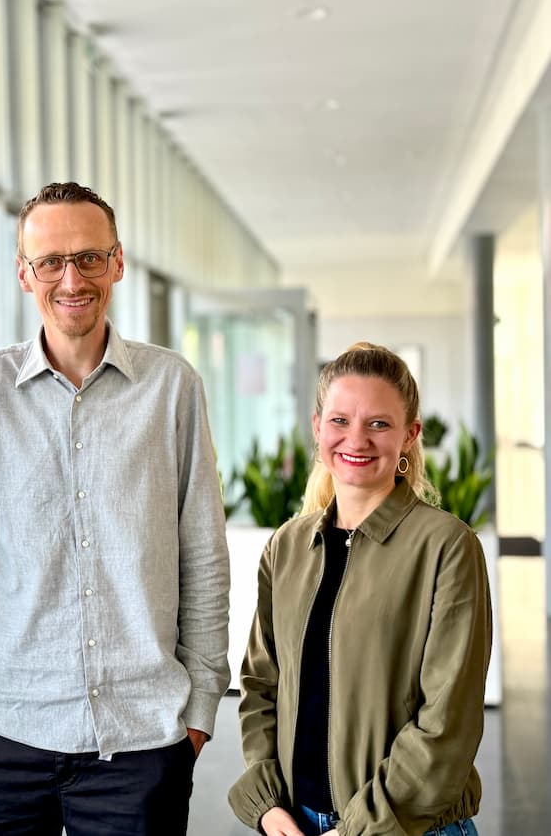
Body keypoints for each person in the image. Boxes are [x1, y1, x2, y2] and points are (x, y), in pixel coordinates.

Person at [0, 181, 231, 835]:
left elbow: (203, 555)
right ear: (23, 274)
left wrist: (201, 707)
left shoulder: (172, 386)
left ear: (117, 262)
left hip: (140, 737)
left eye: (89, 258)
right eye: (51, 262)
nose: (72, 278)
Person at [229, 342, 492, 836]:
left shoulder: (446, 547)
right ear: (317, 427)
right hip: (297, 824)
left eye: (379, 423)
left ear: (410, 436)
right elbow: (262, 686)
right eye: (340, 421)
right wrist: (267, 805)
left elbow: (448, 722)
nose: (356, 439)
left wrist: (360, 829)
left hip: (408, 828)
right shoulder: (286, 547)